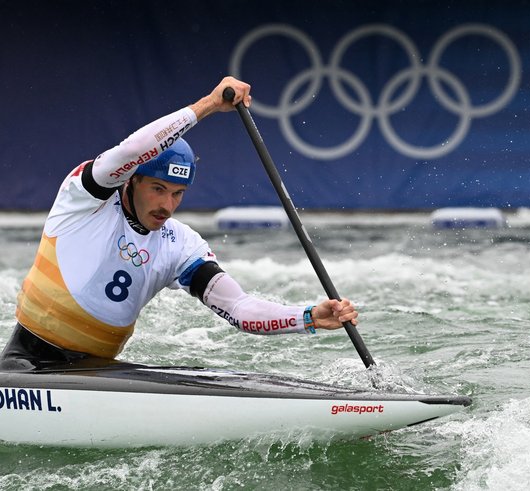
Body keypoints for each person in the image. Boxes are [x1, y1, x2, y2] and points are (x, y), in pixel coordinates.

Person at [0, 76, 358, 370]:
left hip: (99, 374)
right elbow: (130, 151)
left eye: (177, 193)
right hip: (26, 362)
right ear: (131, 180)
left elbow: (239, 308)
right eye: (158, 189)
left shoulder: (179, 245)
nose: (166, 205)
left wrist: (308, 317)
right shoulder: (84, 199)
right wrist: (208, 106)